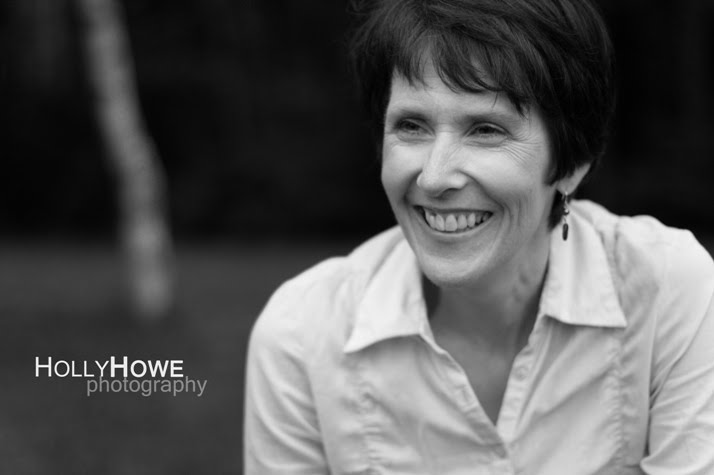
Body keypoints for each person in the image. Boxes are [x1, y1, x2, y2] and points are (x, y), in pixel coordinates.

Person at [244, 0, 714, 473]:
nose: (434, 177)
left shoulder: (667, 291)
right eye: (412, 126)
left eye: (486, 130)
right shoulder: (301, 336)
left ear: (571, 164)